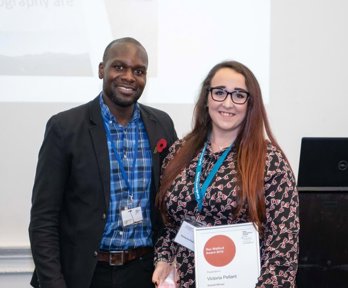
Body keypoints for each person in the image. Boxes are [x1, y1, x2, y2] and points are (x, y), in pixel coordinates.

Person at [29, 37, 178, 288]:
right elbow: (44, 218)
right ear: (102, 70)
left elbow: (170, 204)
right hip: (86, 275)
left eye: (138, 71)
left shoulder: (161, 125)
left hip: (145, 273)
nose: (129, 77)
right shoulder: (65, 128)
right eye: (119, 67)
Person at [152, 60, 299, 288]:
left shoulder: (270, 162)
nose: (228, 103)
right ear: (207, 98)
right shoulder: (178, 153)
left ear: (250, 103)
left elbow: (282, 248)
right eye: (219, 92)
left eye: (239, 95)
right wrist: (163, 260)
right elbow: (171, 225)